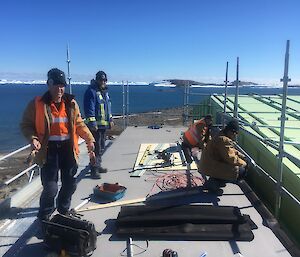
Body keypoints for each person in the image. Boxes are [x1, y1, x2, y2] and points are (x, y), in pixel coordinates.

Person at [20, 68, 95, 221]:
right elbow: (26, 125)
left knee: (69, 184)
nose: (59, 89)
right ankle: (45, 215)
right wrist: (33, 138)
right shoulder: (37, 104)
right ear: (49, 84)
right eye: (56, 85)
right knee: (50, 188)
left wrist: (90, 140)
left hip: (68, 149)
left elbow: (79, 124)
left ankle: (63, 210)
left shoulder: (71, 103)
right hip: (48, 151)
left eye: (62, 86)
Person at [199, 119, 248, 191]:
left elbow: (231, 150)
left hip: (207, 165)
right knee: (241, 171)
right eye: (236, 133)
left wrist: (243, 156)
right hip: (210, 167)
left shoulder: (221, 135)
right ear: (231, 132)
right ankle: (214, 183)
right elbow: (231, 158)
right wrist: (245, 163)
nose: (235, 135)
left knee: (234, 168)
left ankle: (217, 180)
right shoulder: (223, 140)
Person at [84, 70, 113, 179]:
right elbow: (89, 108)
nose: (103, 82)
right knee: (95, 148)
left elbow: (107, 108)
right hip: (95, 127)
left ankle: (98, 165)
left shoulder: (104, 92)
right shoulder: (91, 91)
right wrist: (92, 123)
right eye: (101, 79)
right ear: (97, 80)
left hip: (103, 126)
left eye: (105, 80)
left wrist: (110, 119)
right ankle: (94, 169)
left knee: (101, 147)